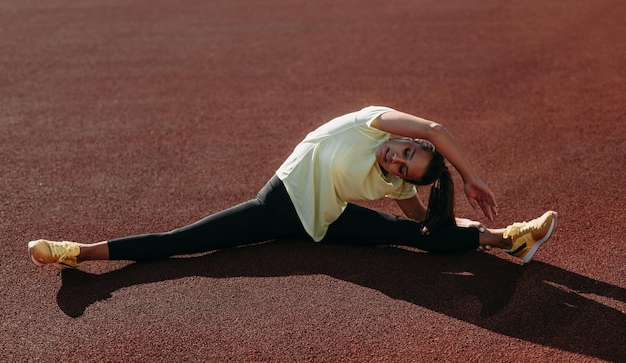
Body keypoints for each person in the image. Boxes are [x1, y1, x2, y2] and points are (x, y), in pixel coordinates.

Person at [28, 106, 557, 270]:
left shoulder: (386, 181)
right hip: (276, 208)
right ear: (403, 139)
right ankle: (78, 252)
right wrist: (470, 176)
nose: (397, 160)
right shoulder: (369, 122)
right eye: (406, 152)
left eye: (404, 169)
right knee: (180, 243)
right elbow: (436, 130)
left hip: (326, 226)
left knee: (415, 234)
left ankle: (509, 238)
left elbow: (418, 218)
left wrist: (436, 216)